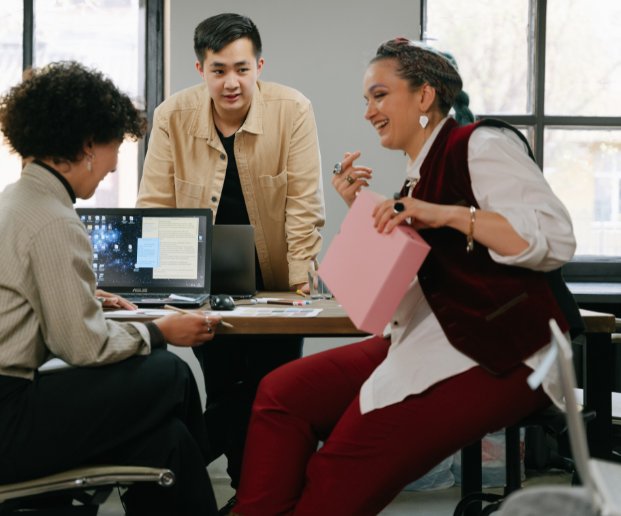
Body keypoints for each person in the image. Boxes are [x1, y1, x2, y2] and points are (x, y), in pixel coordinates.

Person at [230, 38, 578, 516]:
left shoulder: (479, 144)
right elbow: (407, 290)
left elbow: (555, 239)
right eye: (366, 100)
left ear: (424, 96)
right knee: (280, 394)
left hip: (501, 351)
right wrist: (363, 209)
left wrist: (444, 214)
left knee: (336, 472)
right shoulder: (416, 175)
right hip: (429, 335)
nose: (369, 111)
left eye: (379, 95)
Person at [0, 62, 223, 516]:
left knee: (166, 444)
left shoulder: (9, 203)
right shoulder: (54, 219)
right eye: (115, 147)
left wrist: (80, 296)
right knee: (170, 372)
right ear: (88, 145)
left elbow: (12, 294)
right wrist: (160, 330)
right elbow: (82, 345)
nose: (114, 164)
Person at [136, 13, 325, 510]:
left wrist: (302, 278)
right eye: (218, 70)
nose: (231, 82)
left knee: (274, 388)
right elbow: (154, 204)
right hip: (203, 275)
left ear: (259, 65)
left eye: (242, 68)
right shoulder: (172, 115)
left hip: (278, 277)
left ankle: (227, 483)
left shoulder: (293, 109)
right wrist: (153, 286)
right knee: (225, 385)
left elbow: (305, 204)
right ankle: (254, 499)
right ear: (200, 69)